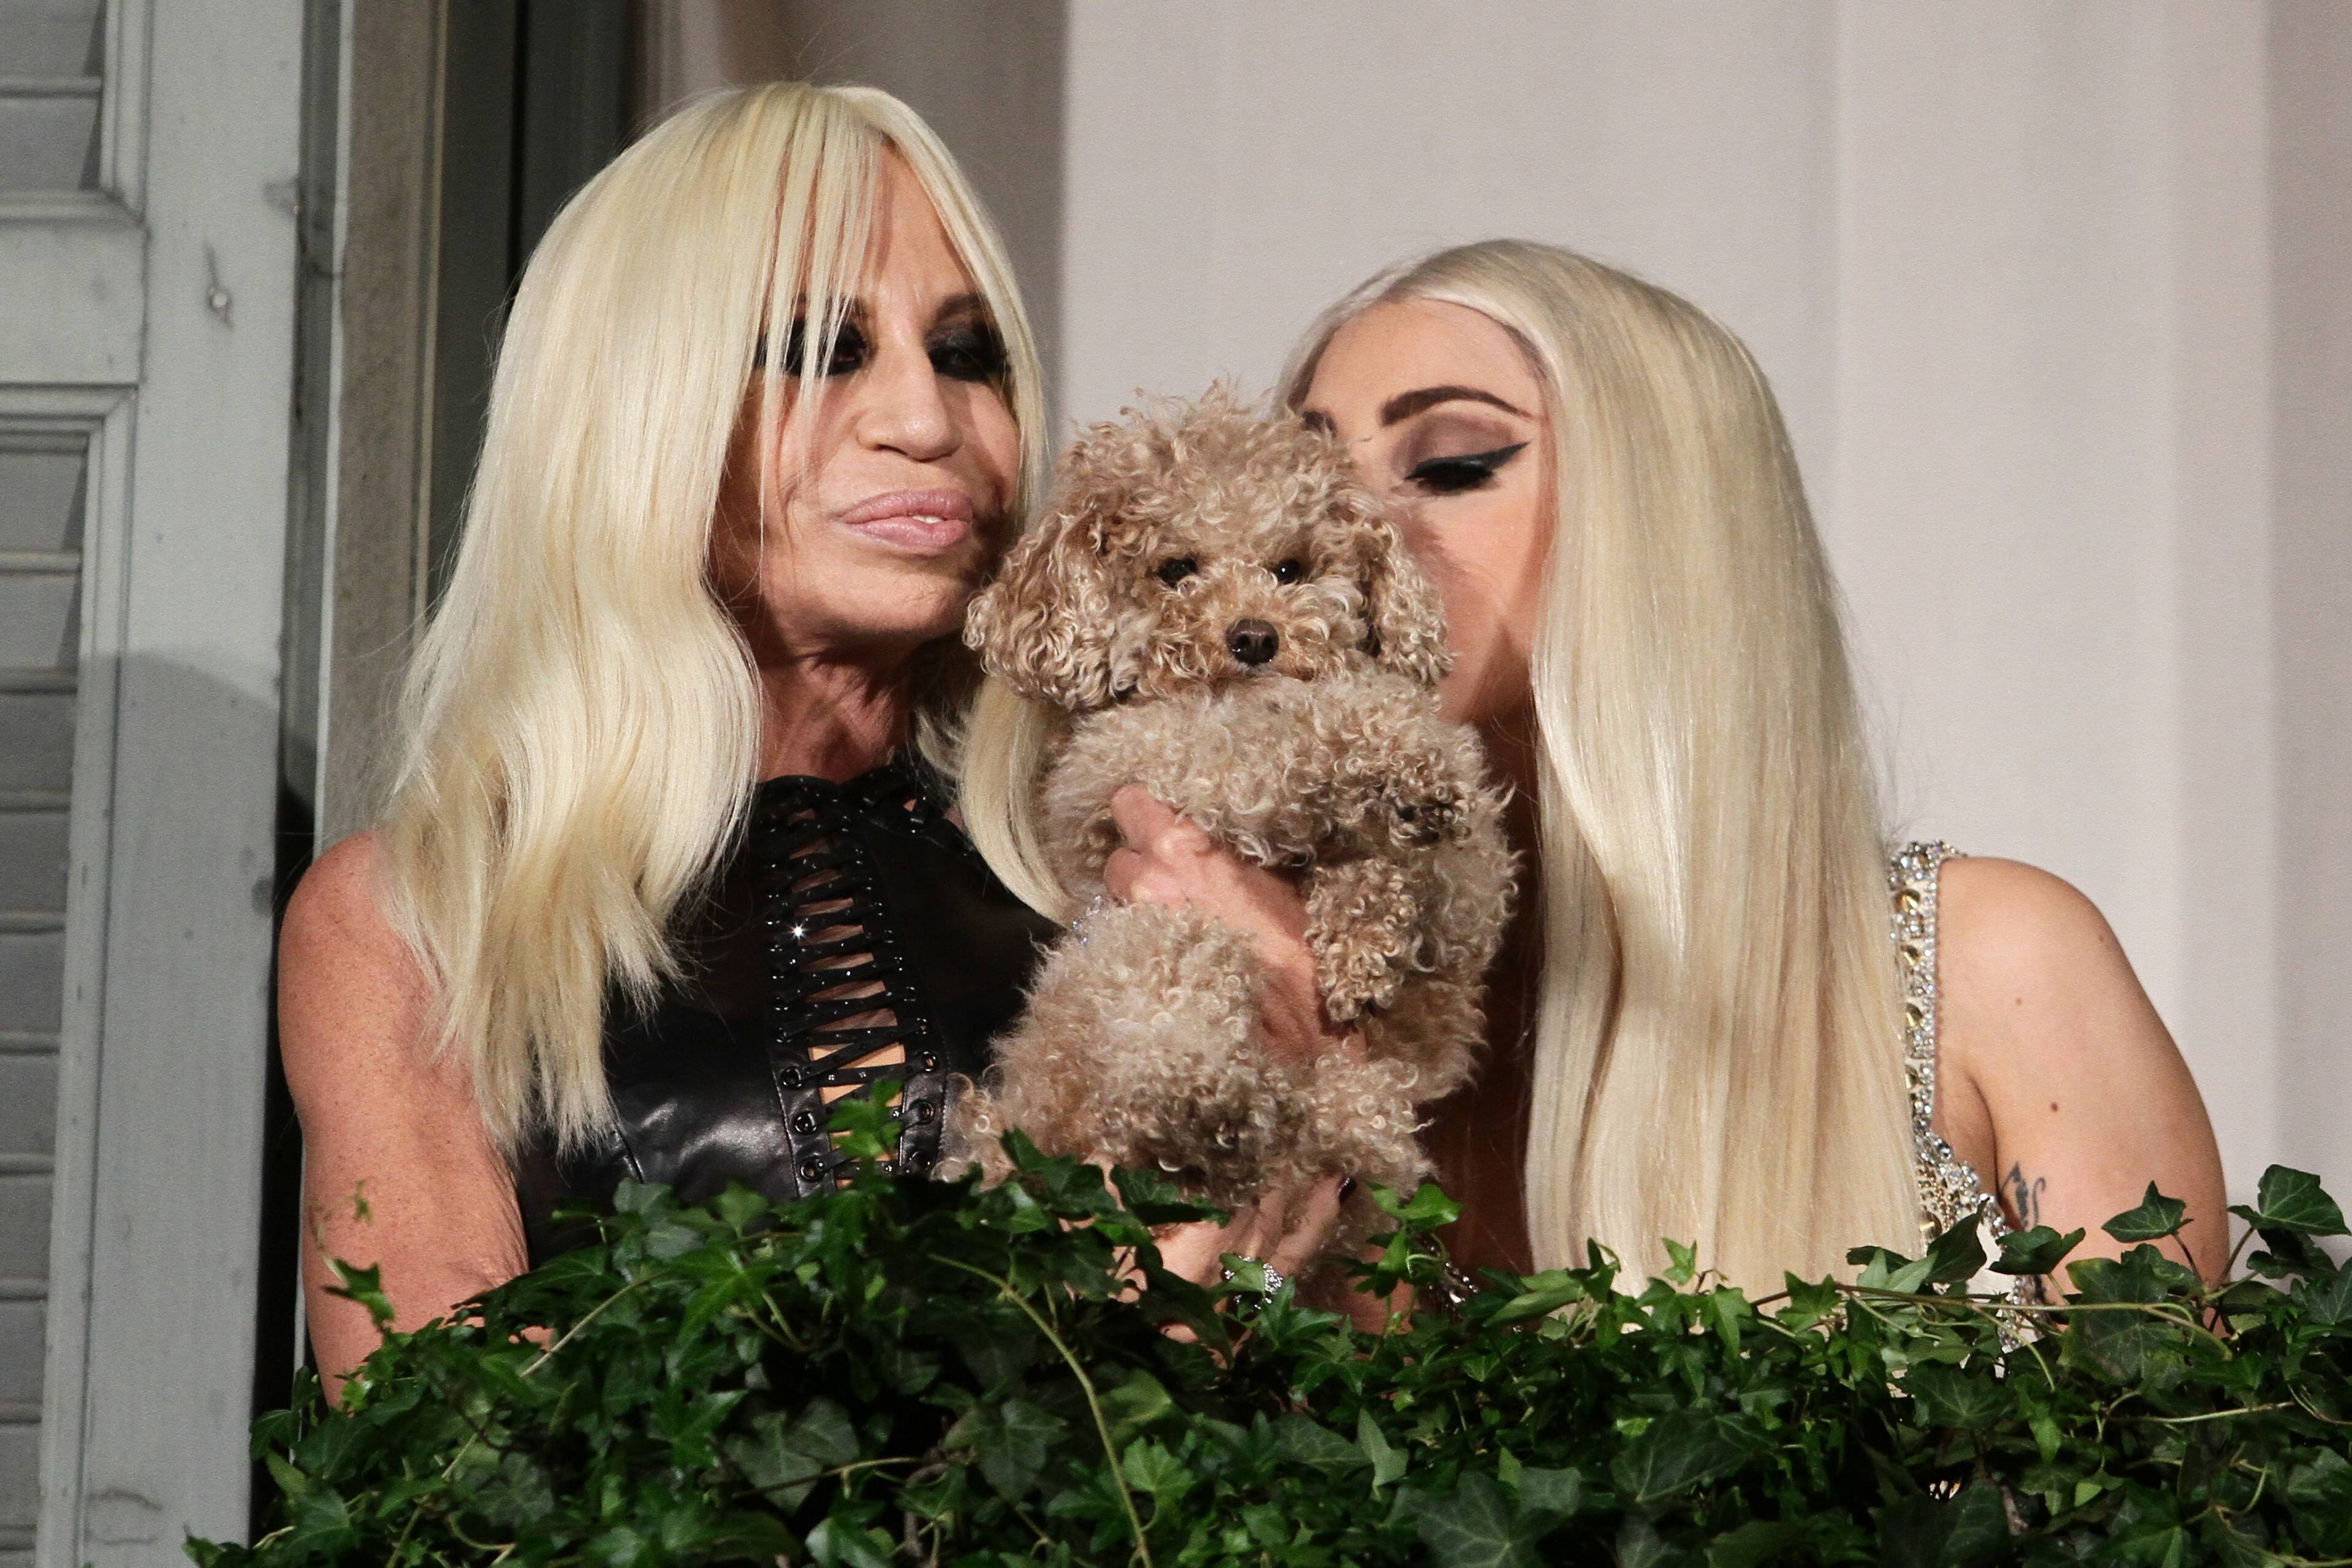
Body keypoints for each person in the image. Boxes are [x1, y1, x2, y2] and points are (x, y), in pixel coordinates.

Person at [963, 240, 2227, 1294]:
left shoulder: (1987, 965)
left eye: (1451, 464)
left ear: (1665, 522)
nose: (1356, 530)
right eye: (1308, 485)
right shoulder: (1242, 984)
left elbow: (2184, 1472)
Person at [278, 83, 1068, 1385]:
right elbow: (448, 1457)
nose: (926, 421)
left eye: (965, 352)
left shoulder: (1127, 868)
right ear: (638, 405)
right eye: (821, 348)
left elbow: (1337, 1364)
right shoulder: (418, 921)